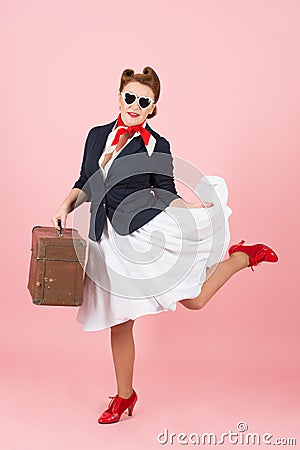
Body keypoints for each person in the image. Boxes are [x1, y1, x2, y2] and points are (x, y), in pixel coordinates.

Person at [52, 66, 278, 425]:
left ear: (153, 106)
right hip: (105, 239)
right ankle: (125, 397)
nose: (135, 105)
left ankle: (239, 258)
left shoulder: (158, 144)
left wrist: (195, 207)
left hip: (142, 235)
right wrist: (67, 205)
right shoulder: (96, 136)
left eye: (144, 101)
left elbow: (167, 192)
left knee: (195, 300)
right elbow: (86, 180)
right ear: (120, 95)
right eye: (130, 97)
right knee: (119, 321)